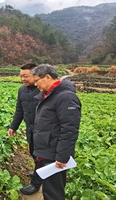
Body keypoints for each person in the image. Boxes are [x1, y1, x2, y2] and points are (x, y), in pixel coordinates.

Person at [30, 64, 81, 199]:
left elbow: (70, 129)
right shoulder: (48, 95)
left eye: (36, 81)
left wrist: (62, 156)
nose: (35, 84)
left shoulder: (66, 97)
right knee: (48, 190)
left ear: (47, 77)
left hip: (55, 155)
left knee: (54, 193)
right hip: (46, 151)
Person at [8, 63, 42, 195]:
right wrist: (13, 126)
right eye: (21, 76)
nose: (23, 79)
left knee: (40, 155)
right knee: (33, 152)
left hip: (42, 130)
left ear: (35, 75)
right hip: (30, 128)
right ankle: (38, 172)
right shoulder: (22, 90)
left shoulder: (42, 89)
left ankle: (36, 184)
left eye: (25, 76)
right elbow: (19, 110)